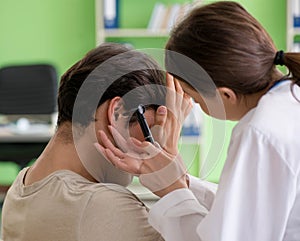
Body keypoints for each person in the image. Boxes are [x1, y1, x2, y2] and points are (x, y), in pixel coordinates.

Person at [97, 1, 300, 241]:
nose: (193, 106)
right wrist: (181, 180)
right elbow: (245, 210)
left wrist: (172, 191)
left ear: (225, 95)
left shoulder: (258, 132)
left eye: (193, 97)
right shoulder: (288, 102)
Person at [1, 42, 166, 241]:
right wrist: (174, 180)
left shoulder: (19, 187)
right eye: (149, 132)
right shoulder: (102, 205)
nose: (151, 148)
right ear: (117, 112)